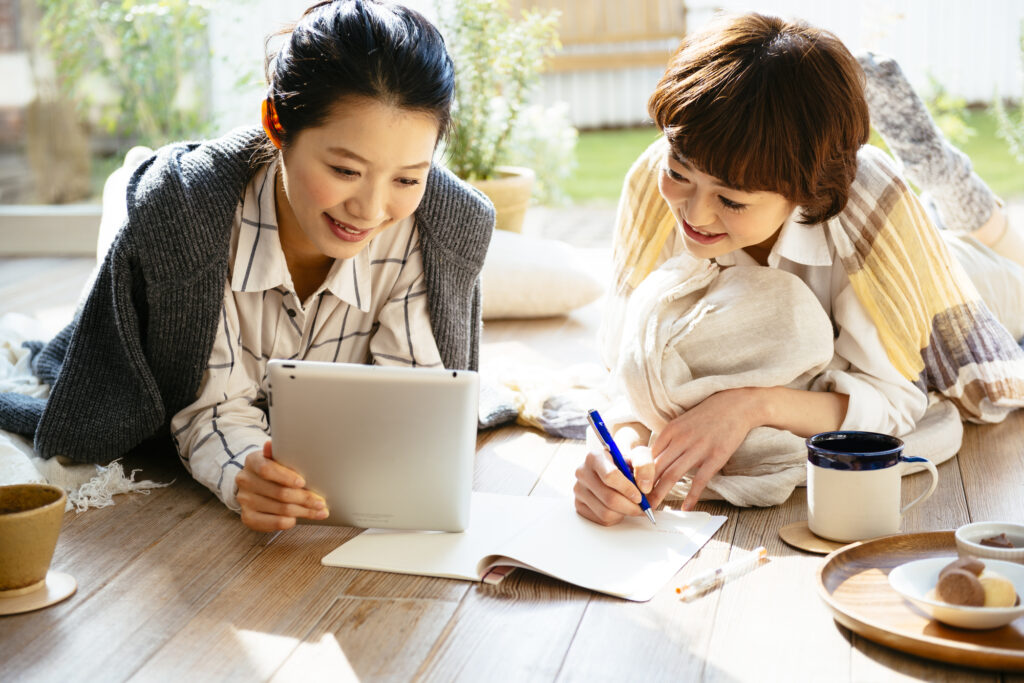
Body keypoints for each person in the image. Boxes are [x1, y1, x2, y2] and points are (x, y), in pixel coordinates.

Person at [0, 0, 494, 532]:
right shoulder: (189, 223)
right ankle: (130, 177)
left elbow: (414, 407)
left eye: (406, 178)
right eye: (345, 169)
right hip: (166, 227)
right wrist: (245, 475)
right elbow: (210, 408)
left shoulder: (434, 228)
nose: (371, 209)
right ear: (275, 123)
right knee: (135, 200)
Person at [574, 12, 1024, 526]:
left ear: (804, 193)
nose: (693, 215)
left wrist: (750, 406)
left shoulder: (870, 210)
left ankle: (953, 186)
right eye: (679, 174)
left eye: (732, 201)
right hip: (889, 263)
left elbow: (897, 402)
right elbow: (629, 366)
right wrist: (618, 454)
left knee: (1012, 275)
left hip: (961, 276)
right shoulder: (657, 185)